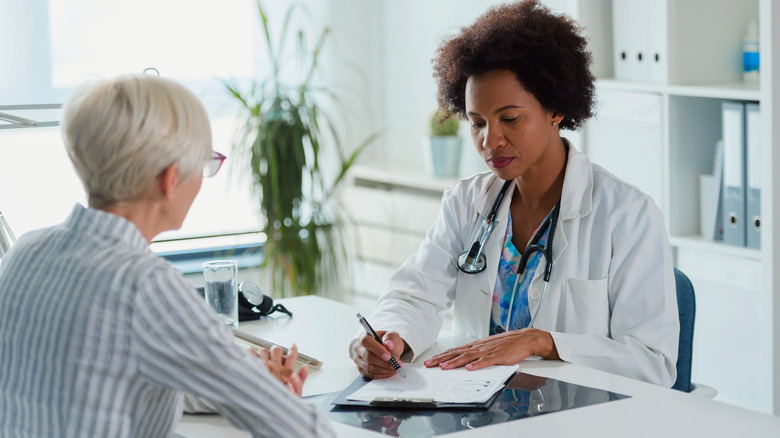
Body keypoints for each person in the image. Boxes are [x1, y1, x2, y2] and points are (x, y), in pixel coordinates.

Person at [350, 0, 679, 387]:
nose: (491, 140)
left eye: (510, 118)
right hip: (475, 407)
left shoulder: (628, 215)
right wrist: (390, 337)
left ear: (555, 108)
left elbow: (653, 362)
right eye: (477, 123)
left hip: (578, 417)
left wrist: (543, 342)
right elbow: (415, 294)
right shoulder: (466, 203)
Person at [0, 75, 334, 437]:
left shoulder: (24, 252)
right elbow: (297, 428)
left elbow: (122, 380)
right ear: (171, 179)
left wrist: (255, 381)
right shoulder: (145, 285)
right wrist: (270, 396)